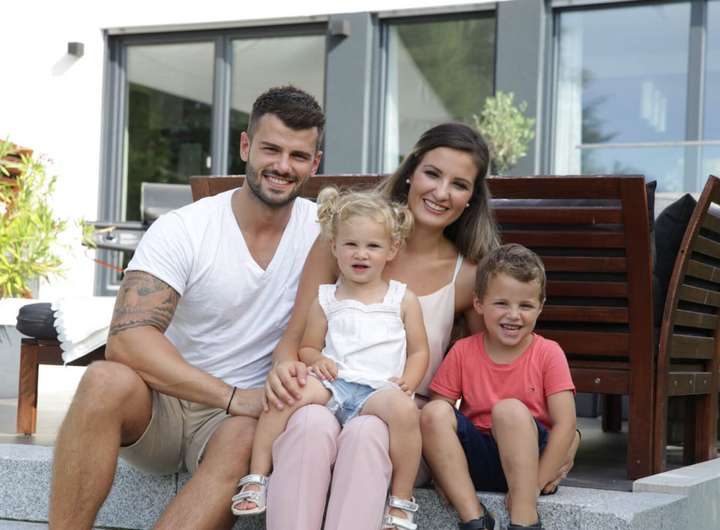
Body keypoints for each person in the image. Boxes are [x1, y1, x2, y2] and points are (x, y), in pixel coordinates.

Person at [47, 85, 325, 530]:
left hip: (238, 425)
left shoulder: (326, 236)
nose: (282, 166)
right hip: (163, 404)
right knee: (102, 380)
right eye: (271, 149)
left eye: (298, 156)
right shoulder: (186, 228)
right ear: (245, 146)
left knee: (248, 437)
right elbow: (127, 341)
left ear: (315, 163)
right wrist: (231, 396)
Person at [264, 123, 520, 530]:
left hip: (400, 422)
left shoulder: (467, 275)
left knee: (367, 433)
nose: (441, 193)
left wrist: (559, 440)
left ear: (472, 197)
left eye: (458, 184)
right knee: (310, 424)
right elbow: (292, 339)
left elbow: (489, 372)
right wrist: (285, 370)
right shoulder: (346, 243)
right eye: (432, 174)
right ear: (411, 172)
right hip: (328, 395)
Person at [232, 188, 429, 530]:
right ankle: (257, 477)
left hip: (378, 391)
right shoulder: (326, 298)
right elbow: (308, 346)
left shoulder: (402, 299)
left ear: (392, 250)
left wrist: (409, 380)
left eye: (373, 246)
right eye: (351, 244)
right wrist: (315, 361)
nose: (361, 254)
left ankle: (401, 500)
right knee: (286, 395)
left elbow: (419, 349)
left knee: (405, 412)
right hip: (334, 384)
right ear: (334, 246)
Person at [421, 244, 578, 530]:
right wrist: (440, 473)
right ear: (479, 303)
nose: (513, 315)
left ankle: (524, 518)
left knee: (508, 411)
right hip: (478, 457)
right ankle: (473, 518)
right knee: (433, 411)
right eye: (502, 303)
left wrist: (536, 484)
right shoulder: (463, 351)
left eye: (525, 305)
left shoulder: (549, 353)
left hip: (530, 460)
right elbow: (436, 419)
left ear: (540, 307)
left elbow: (566, 425)